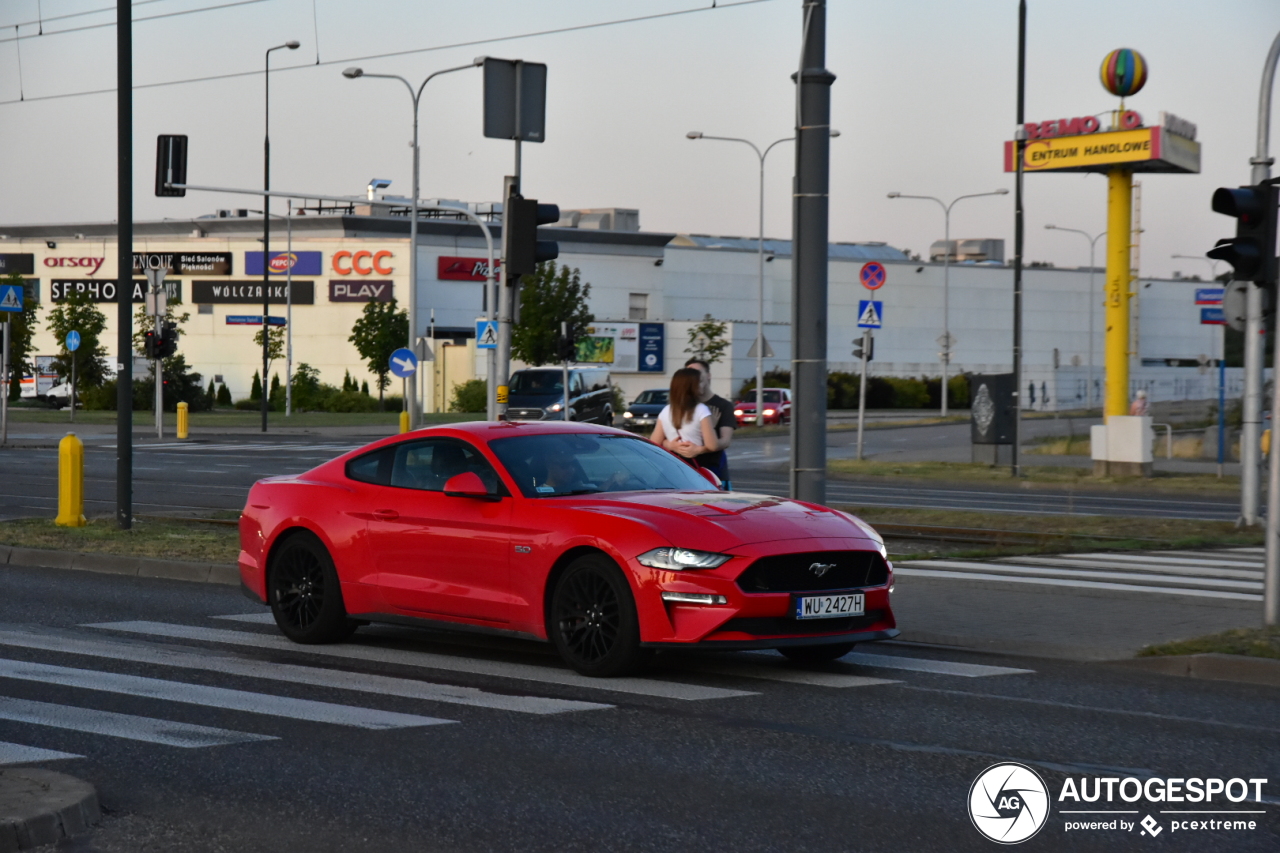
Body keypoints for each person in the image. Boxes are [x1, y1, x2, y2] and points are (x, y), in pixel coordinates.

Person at [665, 358, 735, 489]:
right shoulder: (677, 407)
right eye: (690, 372)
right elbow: (658, 439)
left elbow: (725, 441)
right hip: (680, 470)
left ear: (708, 376)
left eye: (697, 372)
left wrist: (699, 449)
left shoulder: (723, 406)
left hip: (712, 470)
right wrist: (671, 445)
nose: (694, 376)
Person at [650, 368, 719, 466]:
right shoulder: (701, 410)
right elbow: (713, 445)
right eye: (699, 382)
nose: (703, 385)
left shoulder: (666, 410)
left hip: (672, 464)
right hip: (696, 464)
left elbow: (654, 442)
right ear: (691, 387)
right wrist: (698, 449)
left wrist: (669, 445)